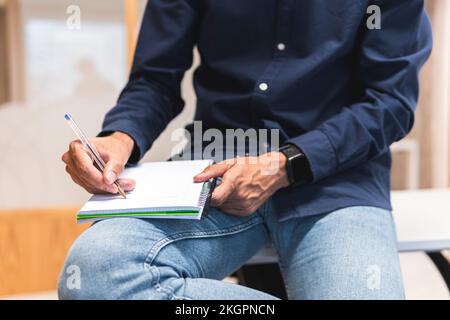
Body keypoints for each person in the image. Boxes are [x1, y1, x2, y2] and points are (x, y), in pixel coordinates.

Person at [58, 0, 432, 299]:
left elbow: (389, 103)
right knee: (96, 275)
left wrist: (287, 164)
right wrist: (120, 137)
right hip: (213, 171)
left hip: (336, 180)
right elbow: (155, 79)